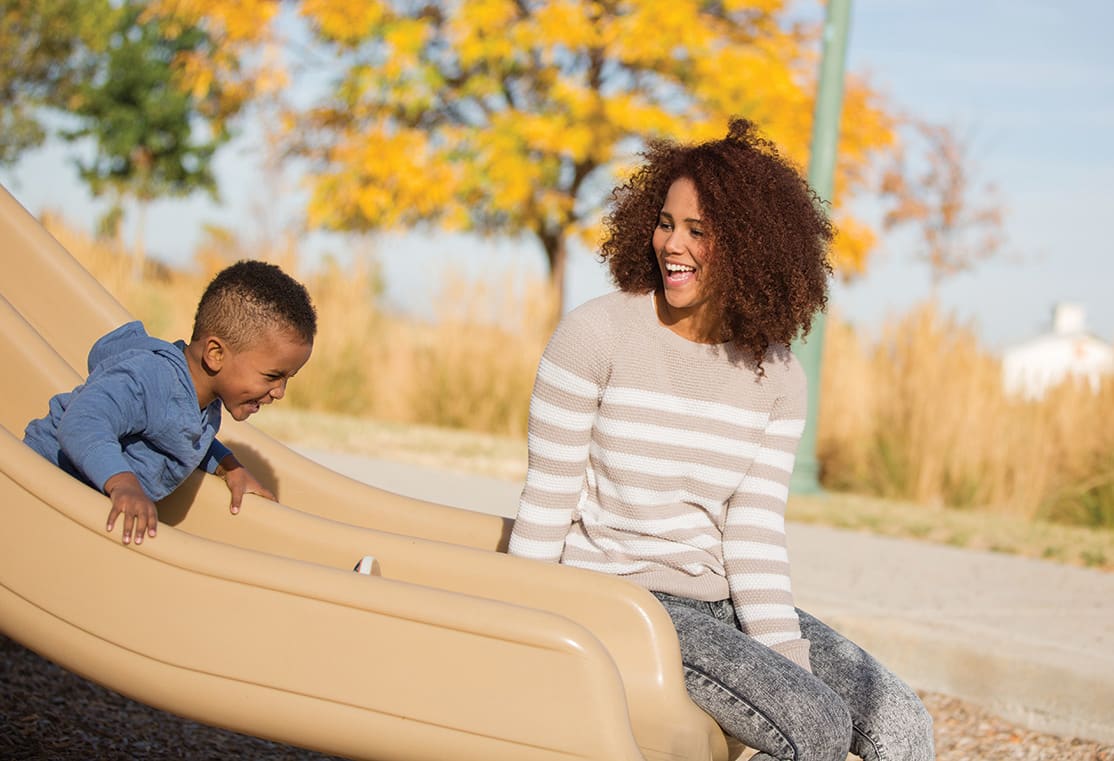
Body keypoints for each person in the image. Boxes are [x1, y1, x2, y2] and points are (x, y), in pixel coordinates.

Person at [508, 119, 934, 761]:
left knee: (902, 725)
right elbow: (548, 498)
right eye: (666, 222)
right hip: (617, 598)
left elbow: (754, 534)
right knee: (812, 724)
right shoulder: (595, 335)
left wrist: (787, 659)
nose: (672, 244)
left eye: (698, 231)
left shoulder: (779, 375)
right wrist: (520, 631)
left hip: (720, 605)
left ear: (751, 248)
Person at [24, 259, 316, 547]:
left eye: (287, 378)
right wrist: (124, 483)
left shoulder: (205, 399)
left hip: (78, 504)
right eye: (272, 376)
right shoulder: (154, 379)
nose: (279, 392)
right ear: (215, 354)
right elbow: (81, 423)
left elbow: (182, 436)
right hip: (35, 485)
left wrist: (229, 466)